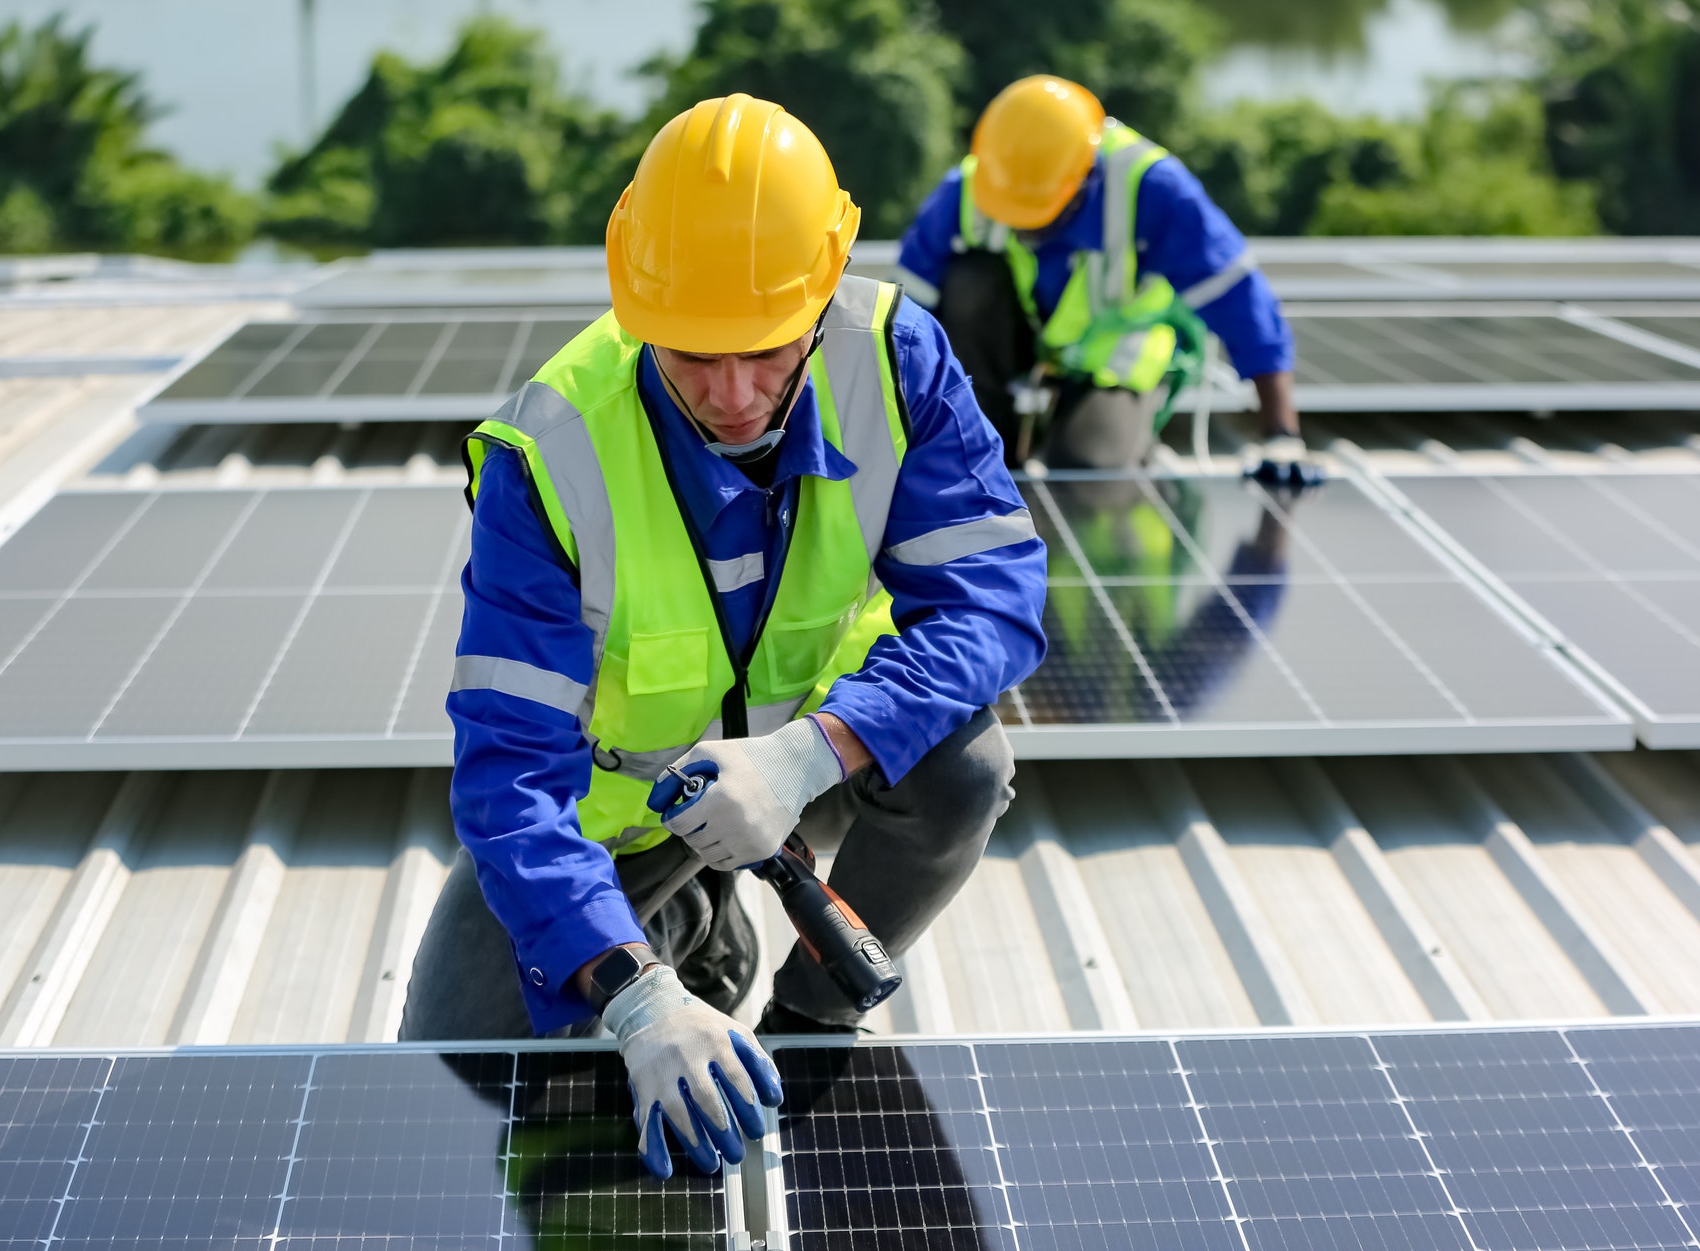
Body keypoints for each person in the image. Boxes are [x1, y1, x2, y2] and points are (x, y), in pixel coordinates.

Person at [399, 93, 1048, 1182]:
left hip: (817, 750)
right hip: (613, 812)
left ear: (824, 284)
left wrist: (808, 755)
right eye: (693, 357)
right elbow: (509, 774)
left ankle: (808, 1013)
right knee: (453, 1061)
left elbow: (992, 599)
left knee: (965, 768)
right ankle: (685, 926)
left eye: (763, 350)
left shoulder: (894, 361)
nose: (735, 395)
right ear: (635, 298)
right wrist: (634, 994)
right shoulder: (547, 452)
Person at [896, 74, 1300, 469]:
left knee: (1085, 466)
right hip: (1018, 346)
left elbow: (1237, 295)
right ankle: (994, 444)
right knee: (969, 282)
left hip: (1116, 354)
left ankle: (1121, 434)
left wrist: (1280, 435)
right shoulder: (976, 185)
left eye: (1037, 216)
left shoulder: (1152, 188)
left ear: (1083, 178)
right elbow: (904, 314)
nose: (1023, 228)